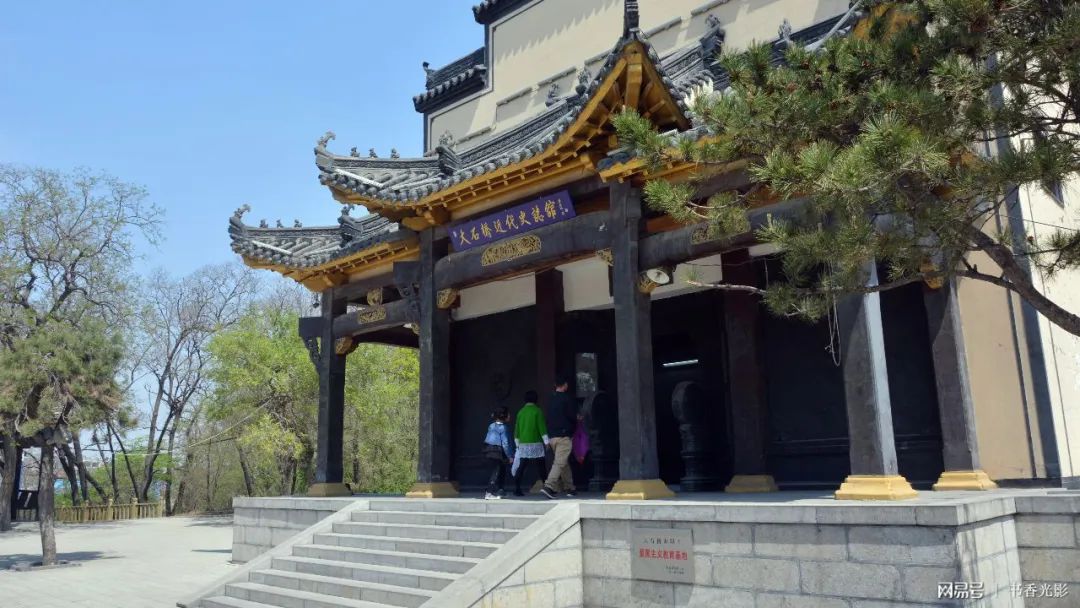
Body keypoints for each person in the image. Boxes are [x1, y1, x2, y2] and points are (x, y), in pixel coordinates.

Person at [542, 375, 580, 498]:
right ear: (565, 385)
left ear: (555, 385)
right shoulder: (567, 399)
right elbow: (572, 417)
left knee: (563, 462)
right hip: (564, 435)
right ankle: (549, 486)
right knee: (559, 462)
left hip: (552, 436)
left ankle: (570, 487)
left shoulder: (550, 400)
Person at [512, 390, 549, 497]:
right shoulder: (537, 411)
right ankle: (547, 487)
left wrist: (517, 443)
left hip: (523, 443)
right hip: (536, 442)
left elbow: (517, 429)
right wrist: (546, 442)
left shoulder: (520, 412)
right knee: (541, 466)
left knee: (522, 466)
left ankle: (517, 488)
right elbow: (542, 427)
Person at [481, 407, 513, 500]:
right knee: (496, 471)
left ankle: (500, 491)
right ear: (504, 416)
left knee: (501, 470)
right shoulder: (503, 428)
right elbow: (505, 443)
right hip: (498, 451)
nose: (509, 416)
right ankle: (489, 492)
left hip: (488, 449)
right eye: (508, 414)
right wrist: (510, 456)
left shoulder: (491, 425)